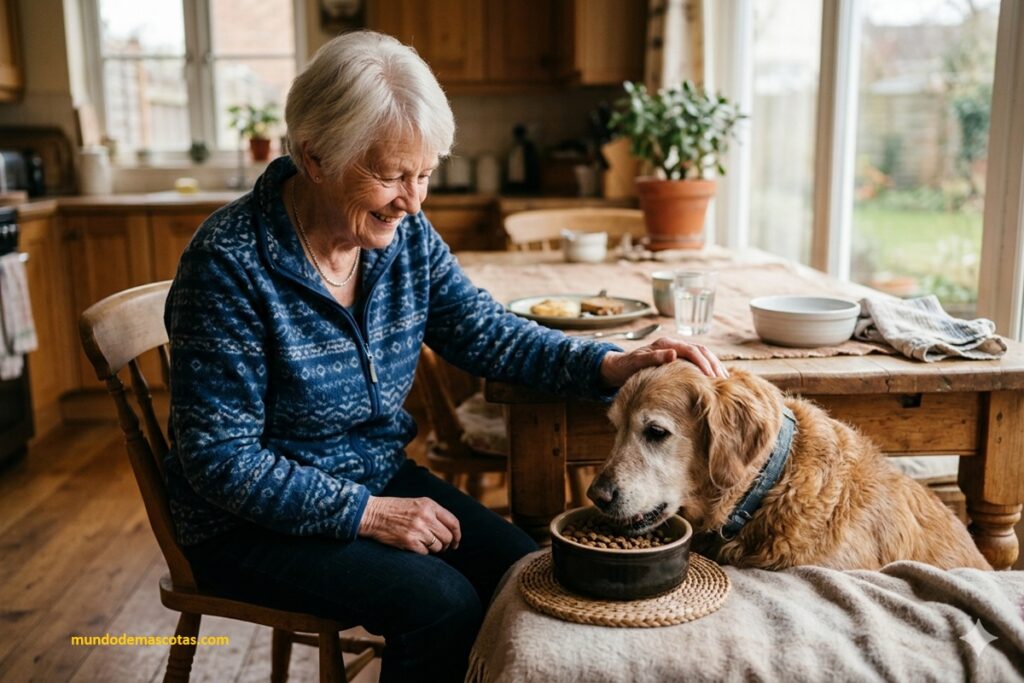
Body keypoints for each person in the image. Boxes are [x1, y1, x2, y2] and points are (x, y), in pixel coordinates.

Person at [164, 31, 728, 682]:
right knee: (438, 602)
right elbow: (218, 459)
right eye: (390, 175)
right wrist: (366, 513)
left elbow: (484, 330)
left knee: (528, 571)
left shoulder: (401, 237)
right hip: (244, 524)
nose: (413, 200)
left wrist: (606, 365)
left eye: (424, 174)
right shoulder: (227, 265)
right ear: (314, 156)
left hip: (374, 473)